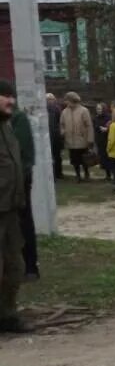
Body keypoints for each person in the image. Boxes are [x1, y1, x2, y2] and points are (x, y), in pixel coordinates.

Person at [0, 81, 29, 331]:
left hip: (10, 209)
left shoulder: (7, 127)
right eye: (5, 96)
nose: (10, 101)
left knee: (14, 264)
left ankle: (8, 315)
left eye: (12, 97)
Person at [11, 102, 36, 278]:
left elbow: (20, 150)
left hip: (18, 178)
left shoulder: (17, 118)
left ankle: (30, 266)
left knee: (23, 220)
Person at [59, 91, 94, 182]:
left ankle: (86, 173)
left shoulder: (84, 110)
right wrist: (63, 131)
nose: (66, 102)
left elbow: (89, 125)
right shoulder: (64, 112)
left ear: (72, 100)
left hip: (82, 140)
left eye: (67, 100)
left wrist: (90, 139)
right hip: (70, 140)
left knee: (84, 159)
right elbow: (62, 124)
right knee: (74, 160)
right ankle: (78, 176)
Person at [93, 101, 112, 181]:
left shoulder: (108, 117)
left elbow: (111, 127)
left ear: (103, 109)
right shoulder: (96, 117)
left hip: (107, 140)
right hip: (99, 140)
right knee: (102, 158)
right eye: (97, 109)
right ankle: (107, 175)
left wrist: (106, 129)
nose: (98, 110)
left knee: (108, 158)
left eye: (100, 109)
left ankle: (109, 174)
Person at [46, 93, 63, 179]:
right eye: (48, 99)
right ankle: (52, 173)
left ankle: (58, 173)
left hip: (56, 135)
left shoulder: (57, 109)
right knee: (50, 155)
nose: (50, 101)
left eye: (51, 99)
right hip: (48, 135)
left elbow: (60, 121)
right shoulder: (44, 109)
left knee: (57, 155)